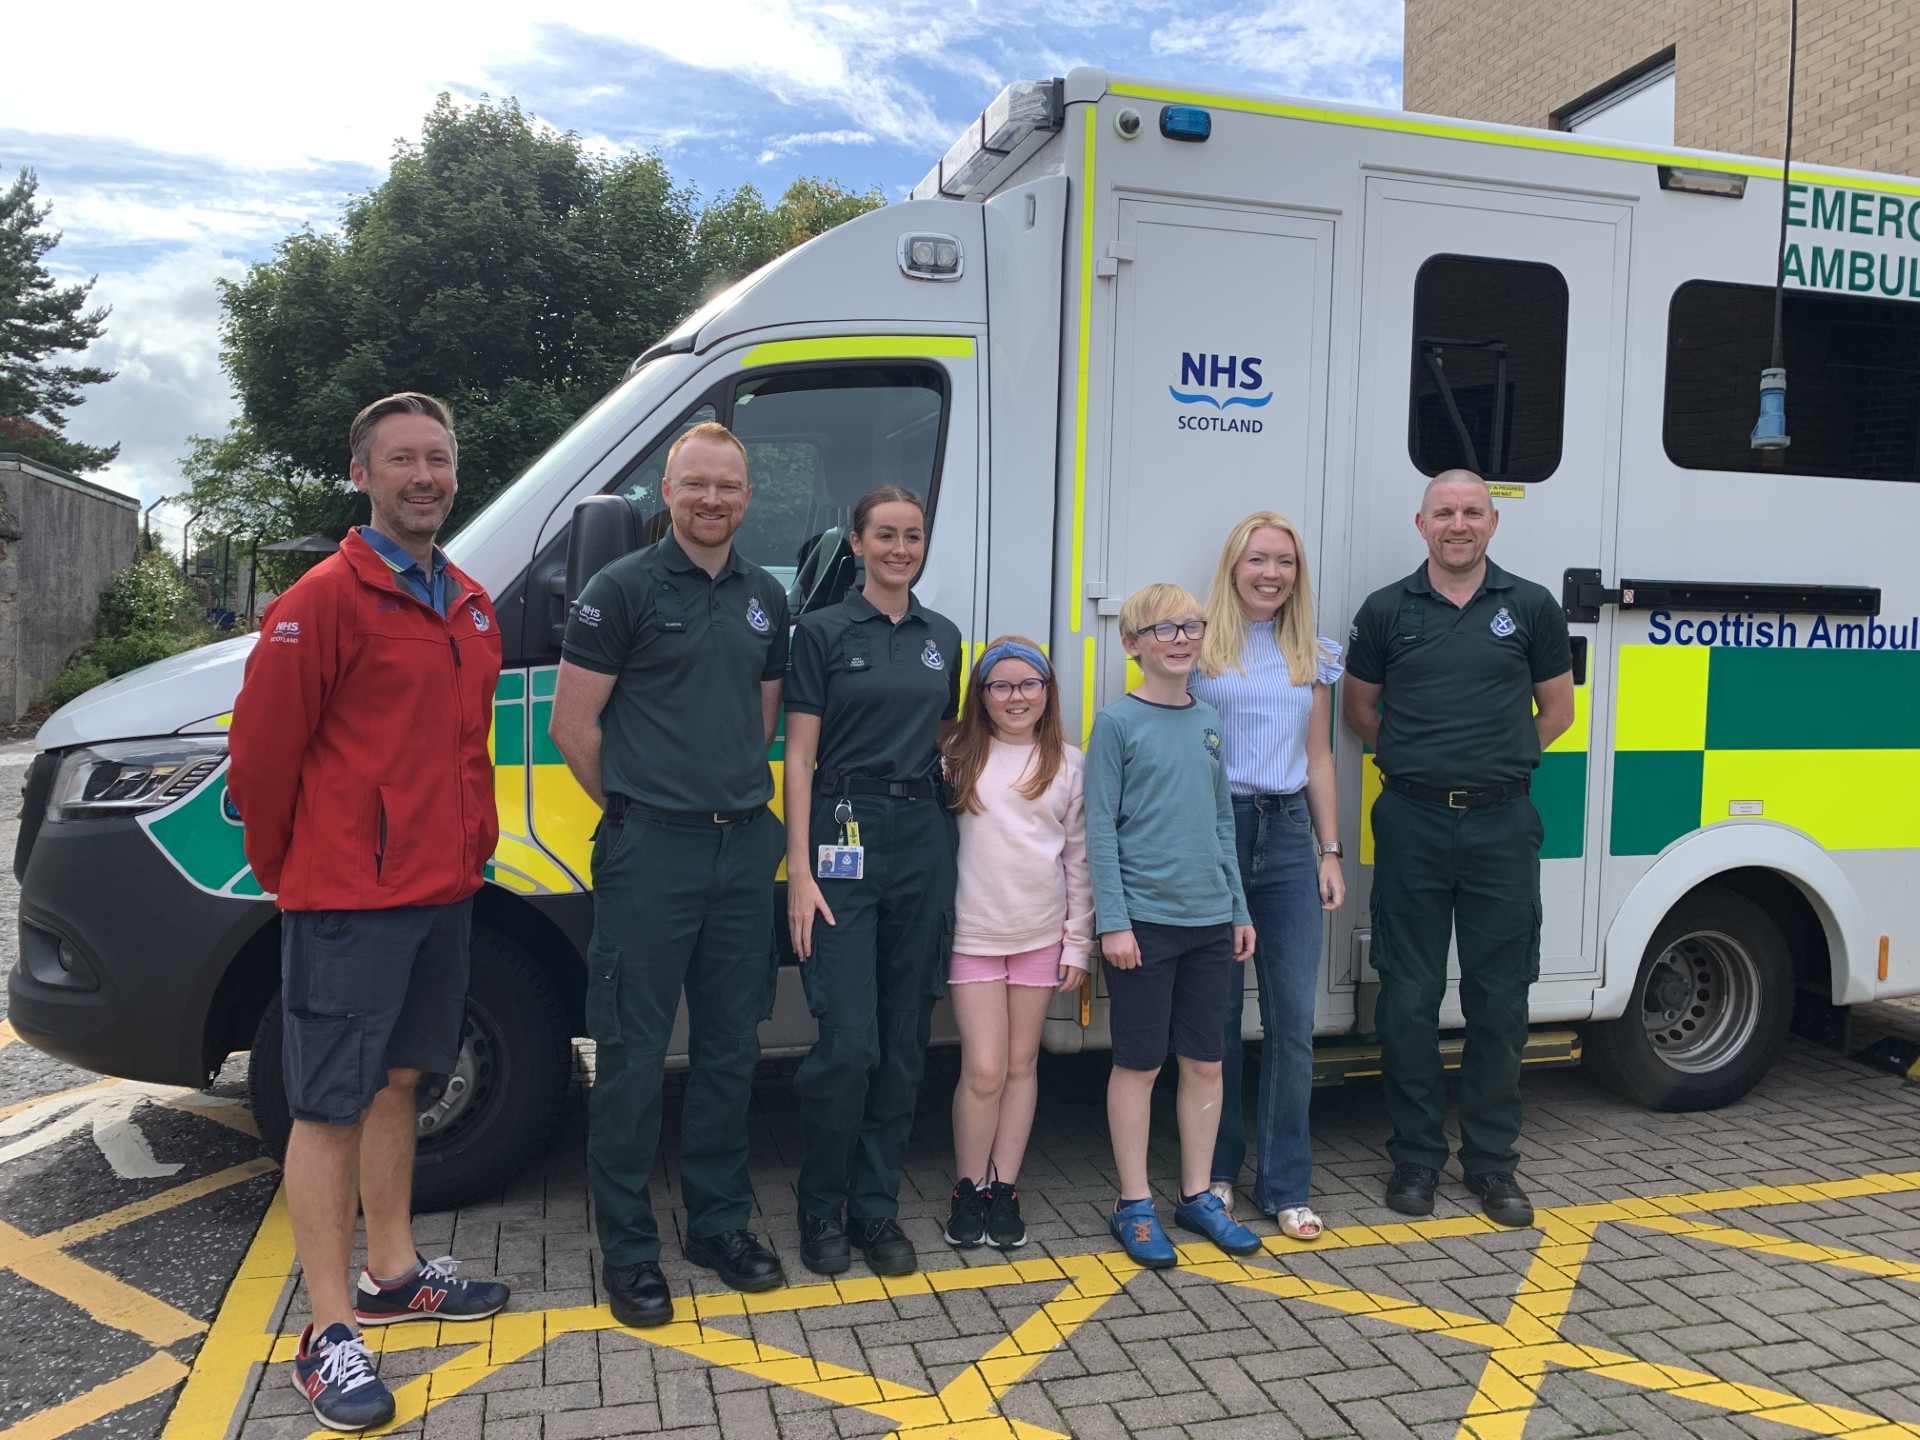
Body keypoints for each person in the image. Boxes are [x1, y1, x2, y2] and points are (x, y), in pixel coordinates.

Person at [229, 393, 509, 1432]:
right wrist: (296, 868)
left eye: (438, 458)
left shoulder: (467, 600)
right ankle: (327, 1330)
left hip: (442, 890)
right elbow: (260, 758)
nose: (424, 477)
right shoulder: (323, 600)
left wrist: (469, 850)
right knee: (328, 1106)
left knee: (401, 1081)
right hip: (350, 897)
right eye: (402, 460)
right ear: (362, 475)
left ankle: (393, 1273)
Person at [548, 421, 792, 1327]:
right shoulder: (621, 589)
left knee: (731, 1049)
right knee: (632, 1056)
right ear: (668, 490)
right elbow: (572, 727)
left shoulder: (767, 596)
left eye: (727, 485)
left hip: (743, 848)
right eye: (696, 484)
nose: (711, 499)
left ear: (748, 496)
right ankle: (629, 1247)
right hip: (651, 851)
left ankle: (719, 1225)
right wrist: (638, 808)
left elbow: (759, 722)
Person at [1340, 470, 1574, 1229]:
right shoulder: (1385, 610)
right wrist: (1419, 763)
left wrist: (1497, 763)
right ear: (1422, 524)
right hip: (1410, 822)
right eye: (1444, 512)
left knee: (1499, 1000)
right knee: (1407, 1000)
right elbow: (1359, 711)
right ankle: (1415, 1157)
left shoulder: (1531, 606)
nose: (1459, 524)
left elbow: (1558, 711)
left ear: (1493, 524)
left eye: (1473, 512)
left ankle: (1492, 1163)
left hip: (1502, 826)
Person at [785, 485, 962, 1278]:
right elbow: (798, 757)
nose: (900, 549)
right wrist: (799, 869)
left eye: (912, 536)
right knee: (850, 1041)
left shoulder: (943, 636)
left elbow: (946, 741)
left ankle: (875, 1207)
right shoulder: (822, 633)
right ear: (855, 544)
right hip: (842, 832)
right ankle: (821, 1204)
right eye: (884, 535)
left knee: (903, 1038)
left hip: (922, 834)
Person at [1084, 583, 1262, 1268]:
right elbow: (1100, 830)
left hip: (1209, 922)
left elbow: (1221, 823)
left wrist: (1237, 909)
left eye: (1191, 626)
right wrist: (1114, 922)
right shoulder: (1116, 724)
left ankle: (1197, 1195)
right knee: (1139, 1065)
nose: (1181, 638)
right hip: (1145, 926)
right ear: (1132, 644)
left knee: (1206, 1062)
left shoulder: (1209, 720)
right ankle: (1133, 1202)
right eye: (1163, 629)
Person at [1189, 512, 1346, 1242]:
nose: (1271, 573)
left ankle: (1284, 1185)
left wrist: (1328, 850)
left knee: (1292, 1021)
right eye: (1257, 559)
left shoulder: (1312, 655)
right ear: (1233, 566)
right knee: (1216, 1017)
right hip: (1216, 832)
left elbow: (1318, 756)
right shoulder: (1198, 647)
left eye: (1285, 561)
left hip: (1286, 837)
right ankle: (1216, 1171)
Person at [939, 637, 1093, 1252]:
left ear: (1047, 692)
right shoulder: (956, 757)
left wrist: (1077, 944)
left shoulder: (1069, 764)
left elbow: (1079, 861)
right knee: (983, 1068)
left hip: (1040, 937)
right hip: (973, 935)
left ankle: (1004, 1189)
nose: (1016, 697)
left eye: (1029, 684)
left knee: (1021, 1066)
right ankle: (968, 1187)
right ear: (980, 696)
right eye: (1000, 685)